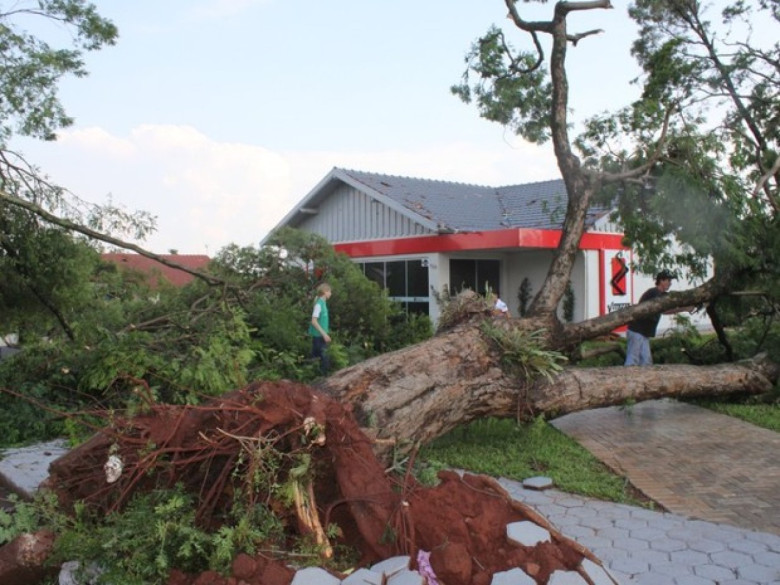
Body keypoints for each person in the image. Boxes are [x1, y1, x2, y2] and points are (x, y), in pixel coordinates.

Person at [624, 270, 683, 366]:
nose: (670, 283)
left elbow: (665, 309)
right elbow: (663, 309)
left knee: (646, 362)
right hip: (637, 331)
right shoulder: (654, 293)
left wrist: (683, 308)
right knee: (632, 361)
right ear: (661, 281)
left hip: (643, 333)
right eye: (668, 280)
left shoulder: (659, 295)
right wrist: (682, 308)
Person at [308, 283, 332, 375]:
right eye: (329, 291)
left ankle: (317, 378)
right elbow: (314, 321)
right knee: (323, 360)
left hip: (321, 336)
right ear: (325, 292)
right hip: (318, 336)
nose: (330, 293)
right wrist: (324, 334)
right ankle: (321, 381)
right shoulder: (318, 304)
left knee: (320, 359)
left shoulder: (323, 303)